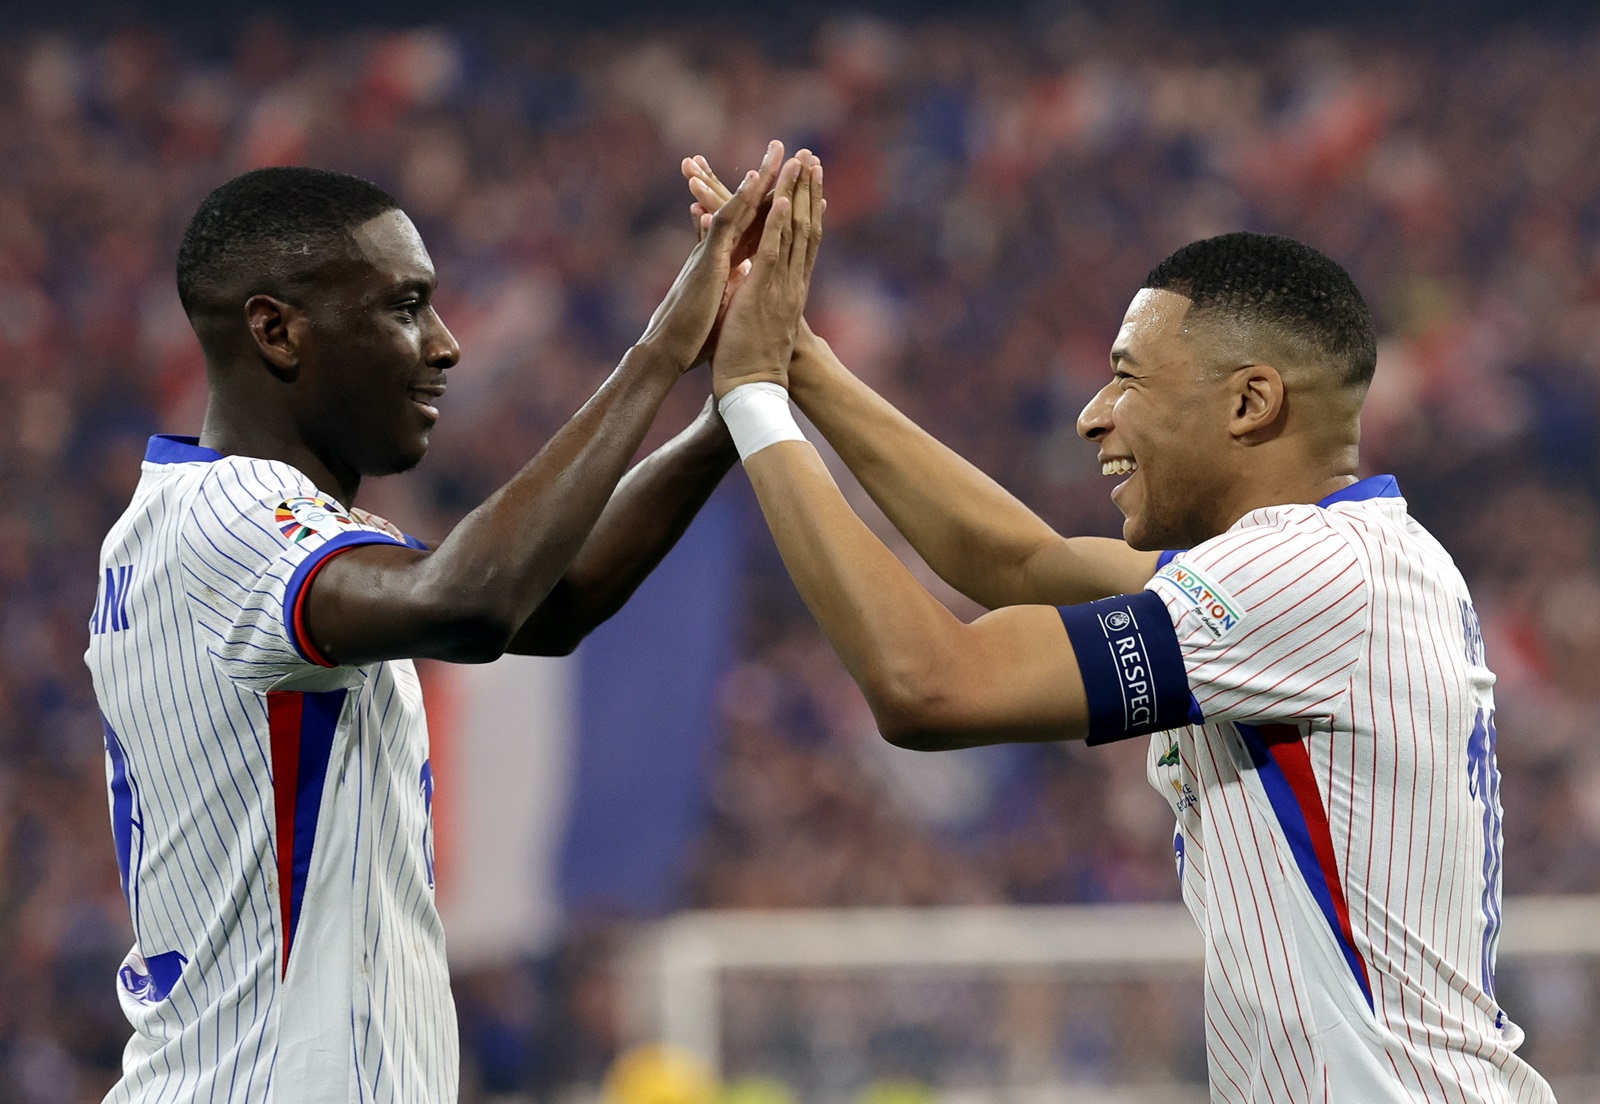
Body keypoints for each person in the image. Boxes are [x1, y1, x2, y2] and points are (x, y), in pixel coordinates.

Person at [690, 151, 1555, 1102]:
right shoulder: (1351, 565)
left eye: (1128, 380)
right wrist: (798, 355)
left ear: (1250, 402)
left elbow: (929, 685)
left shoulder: (1315, 575)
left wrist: (753, 399)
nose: (1092, 417)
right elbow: (1019, 565)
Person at [83, 145, 804, 1103]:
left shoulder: (219, 525)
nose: (447, 342)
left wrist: (730, 407)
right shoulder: (231, 516)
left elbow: (548, 606)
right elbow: (474, 603)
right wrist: (661, 351)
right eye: (404, 305)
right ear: (278, 331)